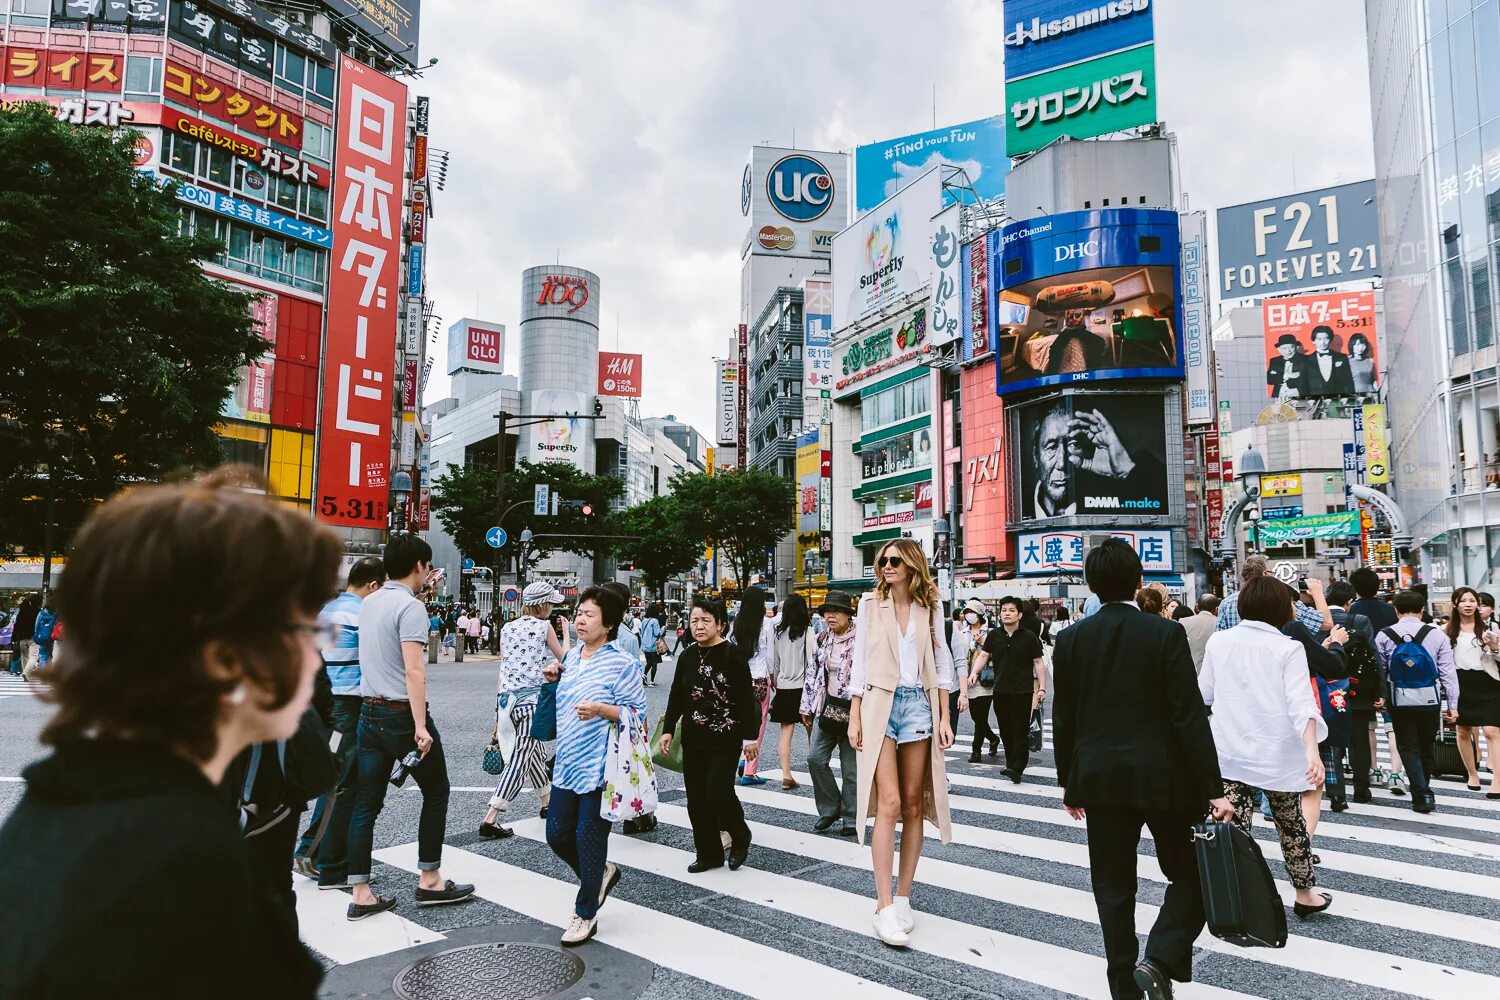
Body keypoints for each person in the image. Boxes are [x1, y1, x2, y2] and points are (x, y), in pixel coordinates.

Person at [0, 472, 338, 997]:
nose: (316, 649)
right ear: (225, 656)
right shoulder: (184, 865)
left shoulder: (64, 807)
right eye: (300, 627)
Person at [1053, 539, 1231, 1000]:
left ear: (1090, 585)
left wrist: (1069, 783)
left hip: (1098, 777)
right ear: (1139, 581)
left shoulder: (1071, 640)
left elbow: (1064, 718)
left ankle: (1125, 989)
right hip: (1166, 776)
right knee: (1191, 874)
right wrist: (1213, 788)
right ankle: (1159, 959)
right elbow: (1187, 716)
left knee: (1113, 888)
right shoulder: (1163, 633)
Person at [341, 535, 474, 919]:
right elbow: (415, 670)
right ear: (419, 565)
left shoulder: (369, 602)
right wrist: (420, 725)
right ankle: (429, 879)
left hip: (369, 713)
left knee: (366, 803)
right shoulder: (410, 608)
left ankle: (361, 892)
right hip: (401, 715)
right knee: (436, 790)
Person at [1199, 576, 1333, 921]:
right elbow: (1301, 704)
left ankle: (1235, 897)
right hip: (1279, 753)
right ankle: (1305, 894)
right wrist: (1311, 751)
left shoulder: (1220, 642)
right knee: (1291, 825)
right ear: (1280, 608)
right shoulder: (1288, 648)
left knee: (1232, 827)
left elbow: (1204, 696)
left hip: (1229, 750)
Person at [848, 538, 955, 949]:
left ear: (912, 565)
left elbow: (942, 662)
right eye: (883, 561)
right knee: (888, 803)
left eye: (895, 560)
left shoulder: (931, 606)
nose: (887, 566)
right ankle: (883, 904)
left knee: (914, 803)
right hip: (878, 702)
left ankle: (905, 895)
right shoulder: (869, 605)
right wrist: (855, 714)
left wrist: (944, 715)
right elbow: (858, 660)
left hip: (918, 707)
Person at [545, 585, 645, 945]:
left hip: (602, 767)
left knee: (588, 837)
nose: (580, 619)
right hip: (568, 761)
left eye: (589, 614)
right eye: (579, 613)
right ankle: (599, 873)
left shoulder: (623, 663)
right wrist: (555, 677)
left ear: (610, 623)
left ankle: (585, 913)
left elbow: (638, 716)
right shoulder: (571, 659)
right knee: (556, 834)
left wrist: (603, 710)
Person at [291, 557, 385, 883]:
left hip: (321, 701)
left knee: (340, 778)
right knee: (341, 781)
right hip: (346, 704)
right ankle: (309, 850)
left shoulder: (327, 610)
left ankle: (325, 850)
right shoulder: (361, 614)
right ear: (373, 585)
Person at [660, 596, 760, 870]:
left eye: (705, 620)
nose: (699, 626)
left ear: (721, 624)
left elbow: (745, 699)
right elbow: (676, 695)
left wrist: (750, 738)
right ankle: (709, 854)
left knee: (718, 792)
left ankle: (740, 835)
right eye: (694, 620)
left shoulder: (733, 655)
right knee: (696, 799)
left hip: (726, 737)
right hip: (694, 737)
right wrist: (668, 730)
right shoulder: (688, 655)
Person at [479, 582, 571, 839]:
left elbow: (504, 667)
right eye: (551, 603)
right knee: (521, 759)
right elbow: (566, 659)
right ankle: (492, 816)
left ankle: (547, 803)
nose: (553, 608)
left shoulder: (508, 627)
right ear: (542, 604)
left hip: (506, 701)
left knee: (534, 753)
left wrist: (497, 711)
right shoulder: (544, 626)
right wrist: (565, 632)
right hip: (530, 701)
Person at [1375, 590, 1461, 813]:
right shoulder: (1436, 634)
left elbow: (1381, 671)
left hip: (1398, 699)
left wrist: (1382, 697)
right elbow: (1448, 673)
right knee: (1425, 745)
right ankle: (1424, 789)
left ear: (1396, 611)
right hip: (1429, 699)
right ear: (1422, 610)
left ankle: (1421, 793)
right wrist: (1452, 706)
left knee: (1407, 745)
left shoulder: (1385, 635)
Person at [801, 591, 861, 836]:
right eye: (827, 611)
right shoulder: (822, 637)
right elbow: (812, 673)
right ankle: (829, 808)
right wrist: (806, 707)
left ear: (848, 614)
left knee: (851, 768)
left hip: (854, 710)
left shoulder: (862, 638)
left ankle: (851, 815)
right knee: (815, 758)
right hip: (827, 708)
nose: (830, 616)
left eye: (836, 611)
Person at [969, 595, 1046, 783]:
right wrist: (974, 673)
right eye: (1004, 610)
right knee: (1005, 729)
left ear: (1019, 614)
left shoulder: (1029, 637)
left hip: (1023, 690)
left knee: (1019, 729)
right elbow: (984, 656)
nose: (1007, 613)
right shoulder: (994, 635)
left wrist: (1042, 688)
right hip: (1001, 689)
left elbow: (1038, 662)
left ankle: (1016, 767)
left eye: (1011, 610)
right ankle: (1012, 763)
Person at [1325, 580, 1383, 805]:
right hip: (1357, 690)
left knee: (1332, 743)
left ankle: (1336, 792)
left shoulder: (1315, 620)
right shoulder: (1360, 621)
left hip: (1327, 689)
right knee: (1360, 741)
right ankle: (1361, 788)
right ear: (1349, 601)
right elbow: (1373, 656)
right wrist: (1379, 691)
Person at [1445, 587, 1500, 796]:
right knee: (1463, 730)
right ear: (1455, 604)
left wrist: (1494, 647)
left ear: (1477, 604)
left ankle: (1497, 780)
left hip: (1488, 682)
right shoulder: (1445, 631)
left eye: (1472, 600)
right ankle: (1472, 773)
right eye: (1463, 600)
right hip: (1460, 683)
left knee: (1491, 731)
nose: (1468, 604)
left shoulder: (1490, 628)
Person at [1215, 555, 1332, 633]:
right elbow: (1326, 624)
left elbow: (1220, 634)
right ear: (1265, 573)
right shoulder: (1281, 598)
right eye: (1272, 572)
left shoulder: (1226, 603)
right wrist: (1317, 592)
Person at [732, 587, 776, 787]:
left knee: (738, 723)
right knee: (757, 727)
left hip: (739, 681)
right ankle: (749, 771)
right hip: (759, 680)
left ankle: (739, 757)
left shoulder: (736, 624)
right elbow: (770, 656)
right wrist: (773, 678)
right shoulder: (767, 625)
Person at [769, 594, 814, 790]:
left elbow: (775, 662)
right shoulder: (808, 631)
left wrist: (776, 681)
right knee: (812, 731)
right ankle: (816, 772)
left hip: (784, 686)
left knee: (786, 732)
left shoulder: (778, 633)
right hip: (804, 688)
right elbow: (812, 662)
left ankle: (786, 775)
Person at [953, 598, 998, 762]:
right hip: (966, 679)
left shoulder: (991, 633)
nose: (969, 615)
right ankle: (993, 739)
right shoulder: (961, 633)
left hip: (985, 680)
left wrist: (982, 642)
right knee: (975, 717)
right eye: (967, 612)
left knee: (981, 717)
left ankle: (976, 750)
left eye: (972, 612)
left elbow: (998, 654)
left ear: (980, 614)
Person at [1301, 325, 1355, 396]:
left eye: (1326, 338)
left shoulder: (1342, 357)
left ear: (1330, 339)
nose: (1323, 342)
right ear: (1313, 341)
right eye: (1319, 339)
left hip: (1337, 399)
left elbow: (1348, 382)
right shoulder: (1306, 360)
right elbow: (1303, 385)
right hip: (1315, 400)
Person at [1180, 594, 1220, 673]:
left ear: (1197, 607)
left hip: (1189, 672)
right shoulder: (1219, 623)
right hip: (1213, 673)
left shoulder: (1183, 622)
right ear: (1216, 609)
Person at [1266, 333, 1307, 399]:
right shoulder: (1275, 361)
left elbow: (1310, 379)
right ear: (1279, 349)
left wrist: (1298, 374)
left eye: (1291, 347)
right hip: (1279, 395)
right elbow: (1269, 379)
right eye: (1284, 348)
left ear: (1297, 347)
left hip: (1299, 395)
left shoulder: (1305, 359)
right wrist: (1284, 376)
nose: (1288, 351)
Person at [10, 593, 37, 677]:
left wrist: (14, 638)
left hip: (21, 637)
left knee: (24, 656)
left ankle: (25, 673)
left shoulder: (20, 614)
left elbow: (16, 627)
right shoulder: (35, 612)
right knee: (33, 656)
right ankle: (26, 672)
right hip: (32, 637)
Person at [640, 603, 666, 687]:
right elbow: (657, 633)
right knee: (654, 663)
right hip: (652, 646)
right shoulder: (654, 621)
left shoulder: (644, 620)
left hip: (645, 646)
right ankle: (651, 681)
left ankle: (644, 676)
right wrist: (663, 628)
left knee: (649, 662)